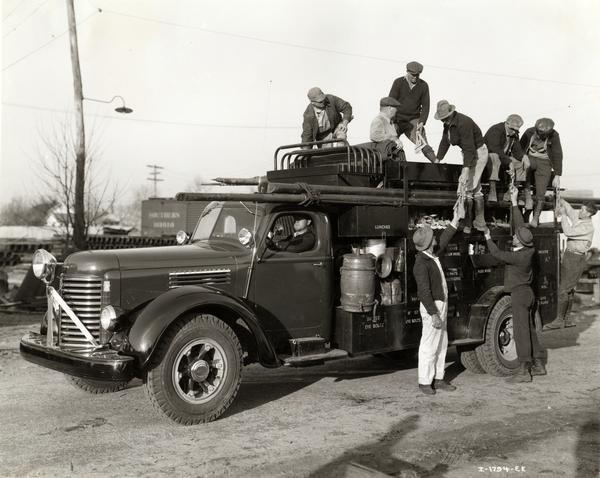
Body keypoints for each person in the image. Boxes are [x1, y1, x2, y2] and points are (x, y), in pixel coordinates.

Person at [482, 187, 546, 382]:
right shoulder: (529, 250)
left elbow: (498, 255)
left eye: (516, 236)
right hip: (528, 294)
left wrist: (487, 236)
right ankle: (538, 365)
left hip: (519, 295)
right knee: (529, 328)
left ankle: (524, 370)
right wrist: (515, 202)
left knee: (520, 331)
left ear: (520, 242)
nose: (514, 236)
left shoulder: (518, 257)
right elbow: (521, 228)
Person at [412, 207, 460, 395]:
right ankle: (425, 382)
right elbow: (423, 292)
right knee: (429, 345)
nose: (435, 238)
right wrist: (434, 313)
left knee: (441, 343)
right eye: (433, 236)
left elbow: (446, 238)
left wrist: (455, 220)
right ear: (428, 243)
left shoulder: (431, 254)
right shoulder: (421, 263)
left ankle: (439, 379)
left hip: (440, 305)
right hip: (432, 307)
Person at [435, 100, 488, 234]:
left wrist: (465, 170)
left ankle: (469, 224)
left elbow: (469, 148)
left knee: (467, 187)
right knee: (474, 188)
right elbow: (444, 142)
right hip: (468, 153)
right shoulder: (448, 124)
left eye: (445, 118)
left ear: (451, 114)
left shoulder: (463, 122)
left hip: (477, 153)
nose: (443, 121)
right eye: (441, 119)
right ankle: (478, 222)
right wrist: (438, 158)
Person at [544, 199, 597, 330]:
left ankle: (559, 320)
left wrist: (562, 216)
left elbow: (568, 232)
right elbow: (570, 210)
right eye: (582, 208)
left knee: (564, 289)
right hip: (570, 256)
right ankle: (567, 319)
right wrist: (560, 199)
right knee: (569, 289)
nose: (580, 211)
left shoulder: (587, 227)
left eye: (584, 210)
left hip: (575, 258)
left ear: (589, 214)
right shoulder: (580, 218)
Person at [388, 61, 437, 164]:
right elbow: (391, 102)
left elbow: (426, 106)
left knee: (422, 142)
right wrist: (390, 120)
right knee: (389, 142)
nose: (415, 77)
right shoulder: (398, 82)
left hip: (413, 120)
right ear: (407, 72)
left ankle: (436, 162)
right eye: (413, 75)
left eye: (417, 75)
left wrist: (422, 122)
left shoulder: (424, 85)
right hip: (397, 119)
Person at [520, 118, 563, 227]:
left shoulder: (554, 136)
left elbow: (558, 154)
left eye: (544, 134)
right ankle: (528, 196)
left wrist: (557, 175)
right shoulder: (529, 132)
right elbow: (520, 147)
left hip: (545, 162)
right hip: (530, 157)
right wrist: (523, 157)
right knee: (524, 169)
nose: (541, 135)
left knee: (541, 191)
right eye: (539, 133)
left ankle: (535, 218)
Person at [484, 114, 531, 206]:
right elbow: (494, 148)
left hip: (503, 159)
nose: (514, 132)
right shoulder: (495, 129)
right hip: (488, 158)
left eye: (516, 130)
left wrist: (524, 157)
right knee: (495, 156)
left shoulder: (514, 134)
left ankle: (510, 192)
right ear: (507, 123)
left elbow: (517, 151)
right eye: (512, 129)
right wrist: (509, 162)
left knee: (521, 164)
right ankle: (492, 190)